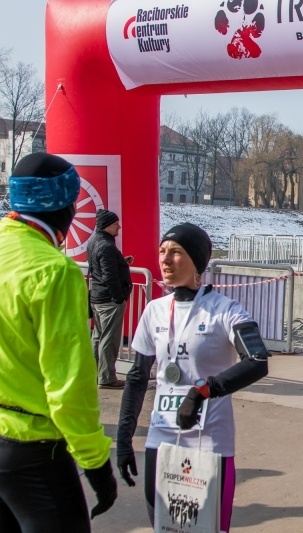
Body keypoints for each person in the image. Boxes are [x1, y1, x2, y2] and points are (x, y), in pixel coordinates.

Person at [116, 223, 269, 530]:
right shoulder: (154, 310)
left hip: (209, 441)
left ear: (197, 261)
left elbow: (258, 361)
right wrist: (124, 438)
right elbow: (137, 378)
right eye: (162, 251)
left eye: (176, 252)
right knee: (164, 526)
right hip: (161, 439)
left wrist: (203, 391)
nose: (165, 259)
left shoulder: (225, 310)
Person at [0, 152, 117, 531]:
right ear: (66, 209)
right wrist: (95, 462)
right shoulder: (54, 271)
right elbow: (69, 383)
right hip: (33, 446)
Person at [88, 208, 133, 389]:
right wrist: (119, 298)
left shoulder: (94, 241)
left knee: (98, 337)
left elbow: (102, 267)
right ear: (107, 226)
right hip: (109, 300)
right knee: (109, 339)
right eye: (116, 224)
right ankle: (107, 378)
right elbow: (109, 276)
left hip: (98, 297)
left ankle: (95, 374)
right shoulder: (106, 246)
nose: (119, 227)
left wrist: (122, 262)